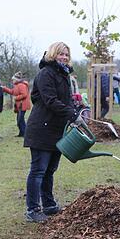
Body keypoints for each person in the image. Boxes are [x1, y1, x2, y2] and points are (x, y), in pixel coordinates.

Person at [23, 42, 81, 223]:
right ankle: (32, 209)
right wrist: (70, 113)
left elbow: (66, 100)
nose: (64, 57)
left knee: (50, 170)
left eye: (66, 54)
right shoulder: (46, 73)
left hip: (56, 129)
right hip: (42, 128)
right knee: (38, 170)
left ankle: (48, 205)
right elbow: (50, 100)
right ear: (53, 55)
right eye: (60, 54)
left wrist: (75, 111)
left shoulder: (63, 74)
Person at [2, 71, 31, 137]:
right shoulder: (17, 85)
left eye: (13, 79)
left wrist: (16, 98)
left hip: (22, 105)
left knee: (20, 120)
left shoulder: (21, 85)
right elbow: (13, 92)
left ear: (16, 80)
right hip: (20, 105)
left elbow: (24, 95)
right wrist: (5, 89)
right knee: (19, 120)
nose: (12, 81)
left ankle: (25, 133)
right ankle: (22, 133)